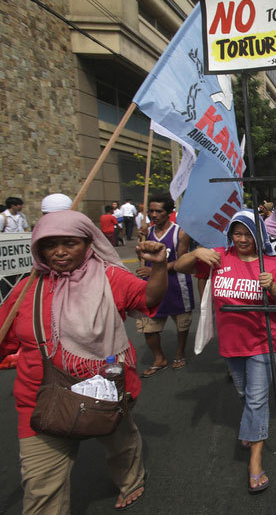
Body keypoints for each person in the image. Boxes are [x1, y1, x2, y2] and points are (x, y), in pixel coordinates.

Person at [0, 210, 168, 511]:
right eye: (50, 245)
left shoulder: (111, 278)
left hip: (104, 392)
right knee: (40, 490)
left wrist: (158, 267)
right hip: (39, 401)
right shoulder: (26, 289)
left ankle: (131, 480)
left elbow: (149, 299)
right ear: (37, 248)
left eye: (69, 243)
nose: (60, 252)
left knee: (122, 447)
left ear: (88, 243)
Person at [175, 210, 276, 493]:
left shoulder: (270, 262)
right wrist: (197, 252)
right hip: (230, 344)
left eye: (249, 233)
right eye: (237, 233)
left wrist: (271, 286)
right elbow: (179, 267)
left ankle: (255, 461)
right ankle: (252, 426)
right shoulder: (219, 257)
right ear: (230, 235)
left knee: (257, 400)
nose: (243, 239)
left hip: (262, 341)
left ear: (259, 235)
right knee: (245, 394)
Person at [136, 195, 195, 375]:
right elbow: (142, 259)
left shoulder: (181, 233)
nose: (154, 215)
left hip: (176, 285)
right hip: (152, 287)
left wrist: (154, 270)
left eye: (158, 211)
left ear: (169, 213)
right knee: (148, 325)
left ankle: (180, 352)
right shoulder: (147, 232)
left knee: (181, 323)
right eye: (151, 211)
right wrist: (140, 241)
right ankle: (159, 358)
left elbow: (182, 261)